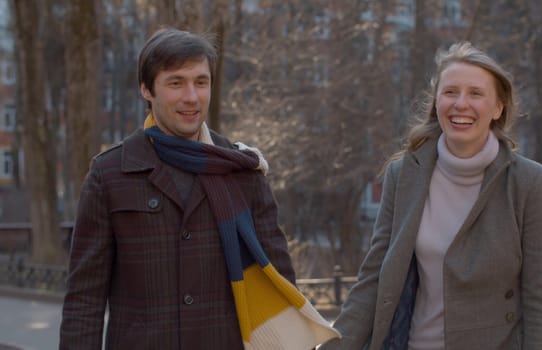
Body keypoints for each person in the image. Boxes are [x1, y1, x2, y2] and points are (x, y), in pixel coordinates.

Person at [60, 28, 338, 350]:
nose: (191, 97)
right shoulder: (109, 174)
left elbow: (279, 285)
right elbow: (84, 301)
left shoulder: (242, 171)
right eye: (176, 83)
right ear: (146, 89)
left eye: (201, 82)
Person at [321, 42, 542, 350]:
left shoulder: (529, 182)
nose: (461, 104)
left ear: (498, 108)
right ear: (436, 102)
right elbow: (374, 279)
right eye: (450, 92)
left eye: (475, 93)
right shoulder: (404, 174)